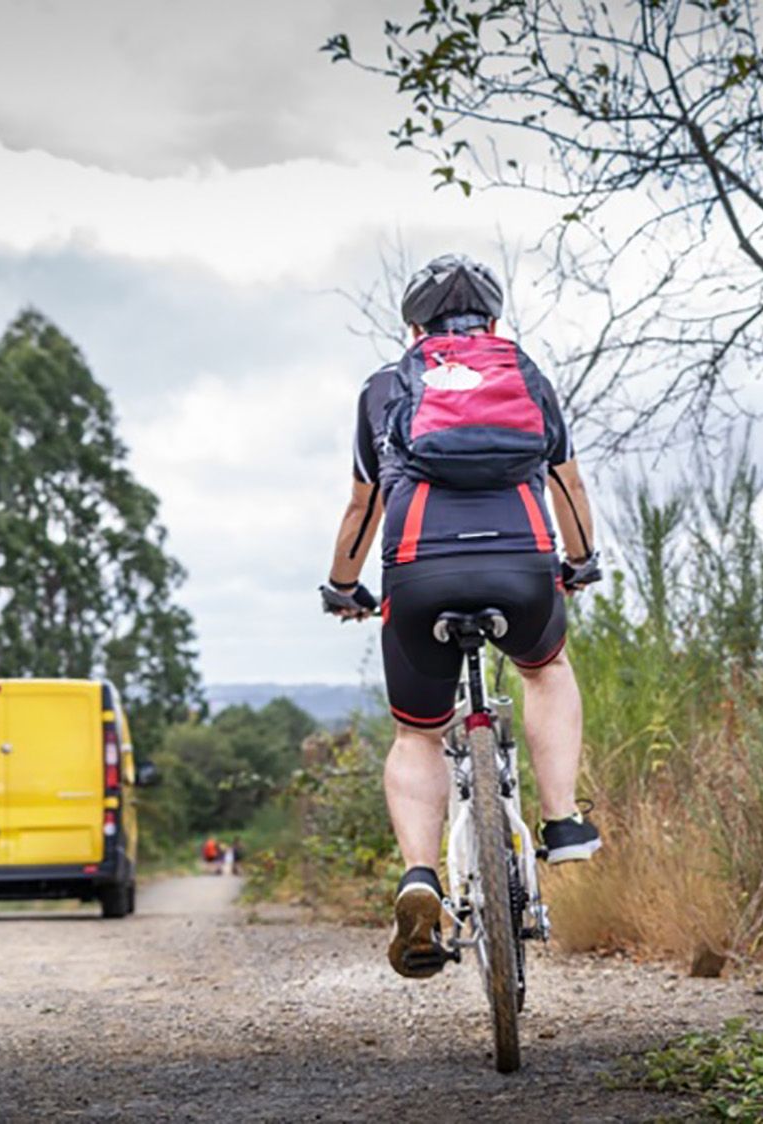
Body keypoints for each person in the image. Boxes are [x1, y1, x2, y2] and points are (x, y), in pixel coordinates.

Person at [321, 253, 603, 980]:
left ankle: (421, 879)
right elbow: (565, 481)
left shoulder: (385, 388)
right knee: (547, 668)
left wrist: (342, 585)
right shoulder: (525, 374)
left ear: (413, 326)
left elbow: (363, 505)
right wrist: (579, 562)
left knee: (418, 733)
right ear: (495, 323)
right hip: (521, 560)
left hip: (420, 568)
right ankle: (564, 819)